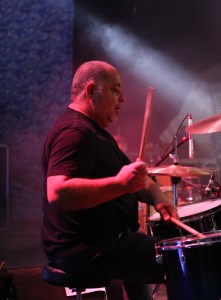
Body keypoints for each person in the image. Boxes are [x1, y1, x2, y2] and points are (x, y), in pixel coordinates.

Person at [41, 61, 178, 299]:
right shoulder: (74, 132)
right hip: (87, 247)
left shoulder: (95, 132)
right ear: (92, 90)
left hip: (108, 240)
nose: (123, 98)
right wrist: (119, 184)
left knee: (152, 247)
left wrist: (160, 198)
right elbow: (58, 193)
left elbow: (137, 180)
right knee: (183, 260)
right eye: (115, 89)